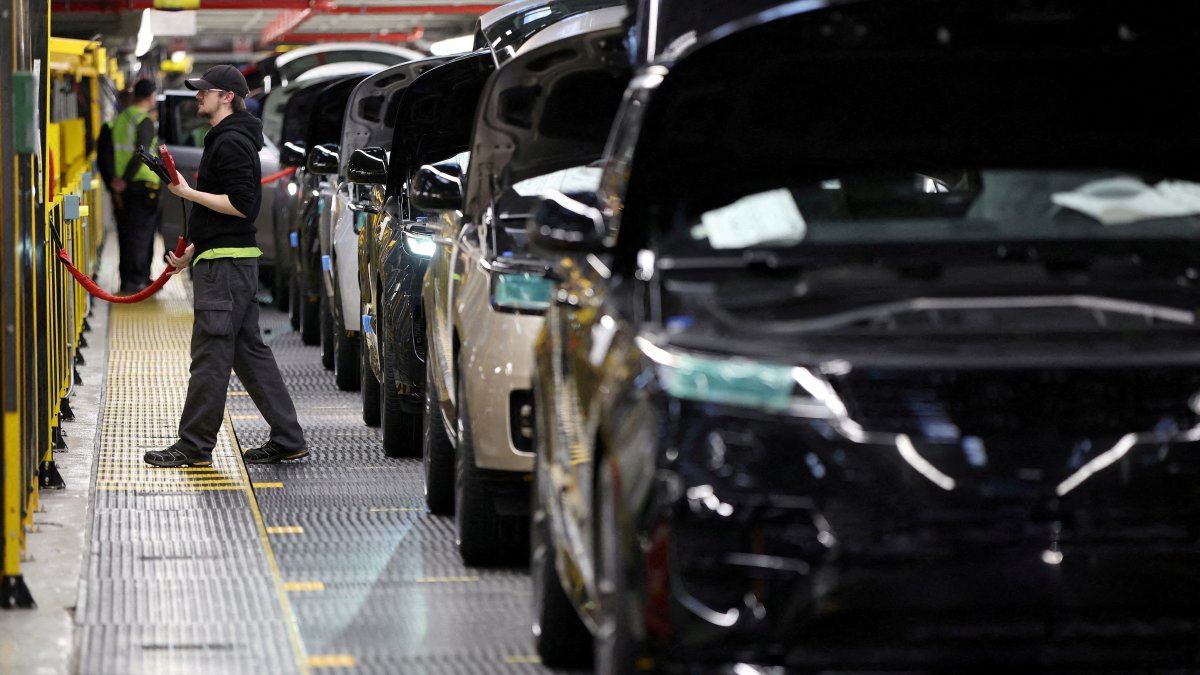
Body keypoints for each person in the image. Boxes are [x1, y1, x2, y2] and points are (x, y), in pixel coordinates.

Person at [143, 64, 309, 468]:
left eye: (205, 91)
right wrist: (192, 251)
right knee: (248, 352)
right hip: (228, 260)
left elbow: (239, 206)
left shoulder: (231, 143)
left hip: (226, 269)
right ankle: (288, 437)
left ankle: (194, 446)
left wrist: (186, 191)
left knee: (211, 354)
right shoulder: (227, 139)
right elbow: (223, 216)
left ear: (227, 97)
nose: (198, 96)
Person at [110, 79, 161, 293]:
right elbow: (141, 154)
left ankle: (129, 278)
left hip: (124, 188)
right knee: (142, 234)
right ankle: (137, 280)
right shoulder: (144, 120)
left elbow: (112, 152)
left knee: (127, 233)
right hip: (142, 184)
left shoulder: (120, 119)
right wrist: (126, 179)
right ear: (151, 97)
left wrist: (117, 180)